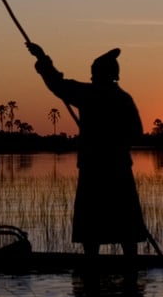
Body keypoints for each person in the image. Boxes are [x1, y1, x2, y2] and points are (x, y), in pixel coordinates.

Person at [26, 42, 148, 256]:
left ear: (102, 74)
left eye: (94, 73)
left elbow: (57, 84)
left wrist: (42, 57)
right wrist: (42, 58)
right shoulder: (122, 98)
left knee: (95, 225)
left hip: (97, 168)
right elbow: (136, 133)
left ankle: (94, 270)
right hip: (117, 167)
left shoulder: (91, 94)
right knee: (124, 225)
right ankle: (129, 270)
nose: (91, 77)